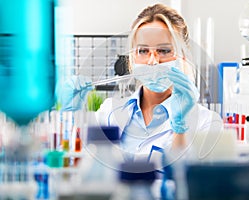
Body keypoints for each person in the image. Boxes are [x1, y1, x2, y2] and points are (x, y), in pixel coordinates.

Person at [60, 3, 223, 163]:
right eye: (143, 51)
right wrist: (72, 115)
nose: (153, 61)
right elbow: (79, 166)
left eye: (164, 50)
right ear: (132, 58)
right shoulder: (109, 112)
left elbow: (191, 182)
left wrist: (180, 129)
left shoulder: (206, 122)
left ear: (184, 57)